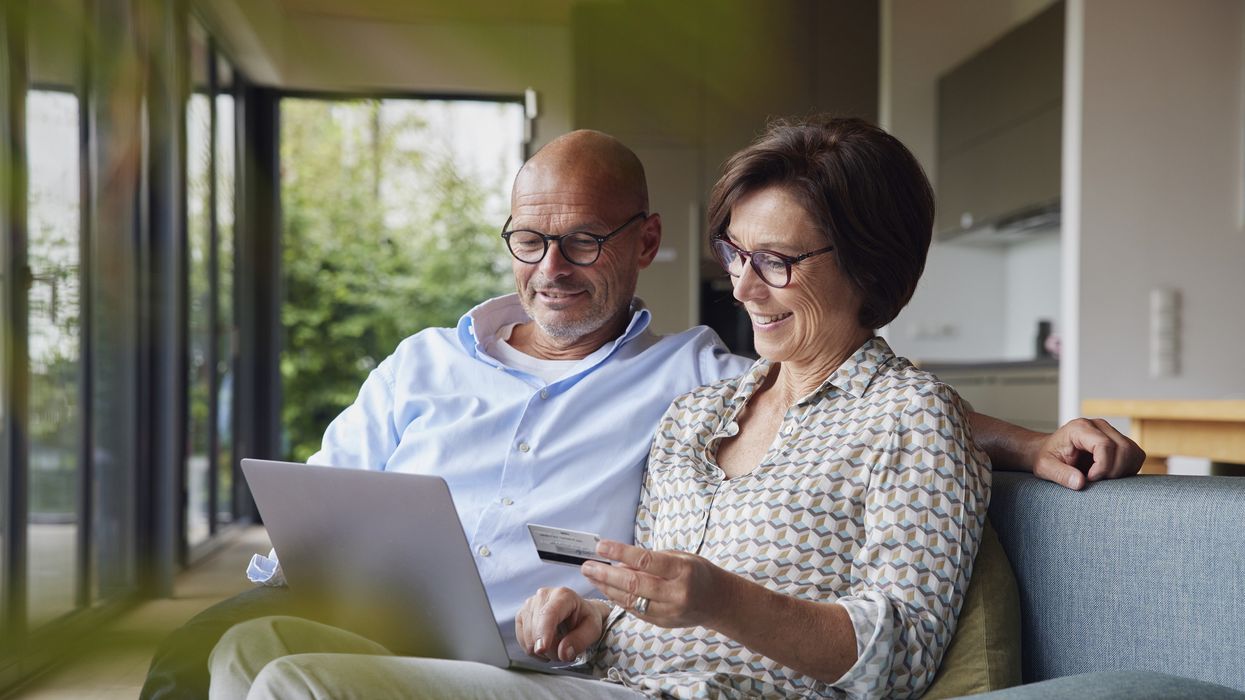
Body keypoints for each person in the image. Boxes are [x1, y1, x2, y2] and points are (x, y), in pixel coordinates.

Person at [142, 128, 1143, 699]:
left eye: (778, 261)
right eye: (739, 258)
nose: (747, 289)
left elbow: (891, 644)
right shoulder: (703, 409)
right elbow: (643, 586)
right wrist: (596, 606)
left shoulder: (879, 415)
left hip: (646, 691)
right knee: (232, 653)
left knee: (288, 688)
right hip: (577, 670)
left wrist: (1028, 439)